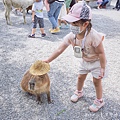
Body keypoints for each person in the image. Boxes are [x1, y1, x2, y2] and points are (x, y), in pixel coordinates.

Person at [43, 1, 107, 112]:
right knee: (80, 77)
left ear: (85, 24)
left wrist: (102, 68)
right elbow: (59, 49)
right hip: (85, 60)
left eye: (75, 24)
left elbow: (101, 53)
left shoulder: (93, 36)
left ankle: (99, 100)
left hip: (96, 62)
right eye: (71, 23)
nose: (71, 26)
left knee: (96, 81)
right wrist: (48, 60)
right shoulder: (72, 36)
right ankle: (79, 92)